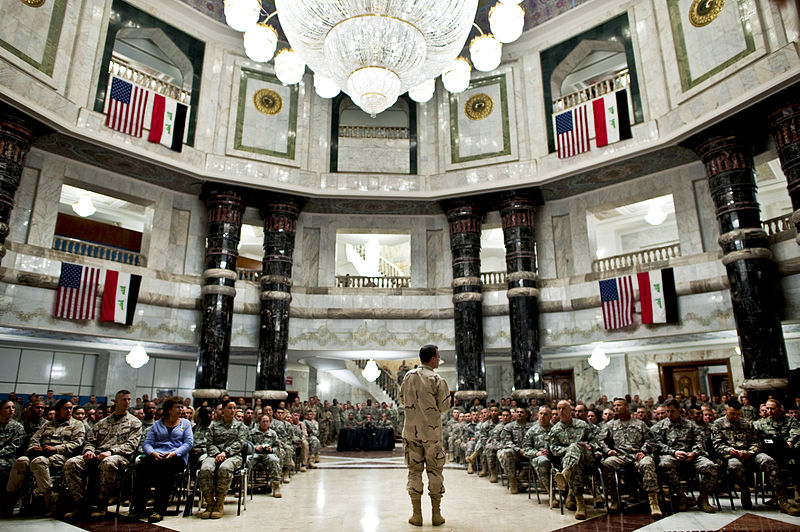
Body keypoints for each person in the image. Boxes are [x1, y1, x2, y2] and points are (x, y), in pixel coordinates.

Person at [63, 390, 142, 518]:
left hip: (120, 457)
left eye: (129, 399)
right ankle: (79, 505)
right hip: (97, 455)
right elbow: (91, 441)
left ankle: (101, 506)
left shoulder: (134, 422)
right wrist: (88, 450)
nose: (127, 402)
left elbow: (131, 445)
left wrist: (111, 452)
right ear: (116, 402)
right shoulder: (103, 422)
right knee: (72, 463)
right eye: (124, 399)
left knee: (108, 463)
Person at [712, 398, 798, 515]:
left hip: (750, 453)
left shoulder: (747, 424)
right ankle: (744, 489)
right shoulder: (718, 424)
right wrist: (732, 450)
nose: (736, 417)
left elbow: (756, 442)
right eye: (732, 414)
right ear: (726, 411)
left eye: (738, 414)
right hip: (732, 454)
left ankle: (782, 501)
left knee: (768, 461)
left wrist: (751, 452)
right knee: (734, 466)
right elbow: (717, 444)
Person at [6, 399, 85, 516]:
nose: (69, 411)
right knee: (21, 461)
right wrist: (34, 447)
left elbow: (76, 443)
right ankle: (9, 504)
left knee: (39, 462)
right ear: (58, 411)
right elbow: (35, 438)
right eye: (65, 408)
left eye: (70, 408)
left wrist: (56, 448)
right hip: (42, 452)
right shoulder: (48, 424)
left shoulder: (77, 425)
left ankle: (50, 503)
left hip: (61, 455)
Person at [399, 344, 450, 527]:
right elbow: (444, 407)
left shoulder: (408, 376)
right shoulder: (437, 379)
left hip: (411, 433)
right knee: (435, 471)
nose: (439, 358)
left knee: (414, 471)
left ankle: (416, 515)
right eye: (438, 356)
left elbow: (402, 399)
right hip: (432, 433)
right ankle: (436, 515)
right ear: (433, 358)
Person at [131, 397, 193, 523]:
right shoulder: (157, 424)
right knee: (141, 468)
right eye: (178, 407)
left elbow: (188, 443)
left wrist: (175, 453)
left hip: (176, 457)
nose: (181, 409)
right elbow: (147, 443)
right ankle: (139, 507)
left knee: (165, 472)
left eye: (182, 407)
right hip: (157, 455)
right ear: (169, 409)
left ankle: (158, 510)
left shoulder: (185, 424)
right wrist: (153, 453)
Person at [599, 399, 663, 517]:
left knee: (647, 463)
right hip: (620, 455)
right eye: (615, 406)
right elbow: (600, 440)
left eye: (619, 405)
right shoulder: (611, 425)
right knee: (606, 464)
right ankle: (615, 498)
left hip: (637, 454)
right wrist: (608, 451)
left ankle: (654, 502)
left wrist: (643, 451)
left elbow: (651, 441)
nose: (616, 408)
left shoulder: (640, 424)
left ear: (627, 407)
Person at [197, 400, 247, 519]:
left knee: (225, 468)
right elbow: (209, 443)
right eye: (230, 408)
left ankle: (219, 503)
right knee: (205, 469)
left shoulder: (240, 426)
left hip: (233, 456)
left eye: (234, 408)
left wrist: (225, 452)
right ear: (223, 410)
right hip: (214, 455)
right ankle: (209, 503)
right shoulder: (214, 426)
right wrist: (218, 453)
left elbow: (240, 443)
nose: (233, 410)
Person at [549, 399, 597, 520]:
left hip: (587, 458)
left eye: (564, 408)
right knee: (575, 465)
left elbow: (594, 441)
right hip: (570, 462)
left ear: (570, 410)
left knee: (575, 447)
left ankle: (565, 474)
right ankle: (580, 503)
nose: (561, 411)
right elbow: (553, 449)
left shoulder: (582, 425)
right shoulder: (555, 429)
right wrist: (570, 451)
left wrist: (589, 446)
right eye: (559, 409)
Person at [522, 405, 556, 507]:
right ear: (537, 415)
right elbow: (525, 450)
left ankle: (569, 495)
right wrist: (537, 453)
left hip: (555, 456)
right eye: (541, 414)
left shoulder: (555, 429)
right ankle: (551, 494)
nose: (543, 416)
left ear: (550, 416)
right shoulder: (532, 431)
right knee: (543, 461)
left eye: (545, 414)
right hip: (538, 457)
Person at [497, 407, 532, 494]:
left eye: (522, 412)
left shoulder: (532, 427)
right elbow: (507, 441)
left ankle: (521, 478)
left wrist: (528, 451)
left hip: (530, 452)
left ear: (526, 415)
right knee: (507, 452)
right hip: (516, 453)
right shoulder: (509, 427)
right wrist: (518, 450)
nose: (519, 414)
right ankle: (512, 480)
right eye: (518, 412)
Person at [0, 400, 26, 517]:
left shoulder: (17, 427)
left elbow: (14, 446)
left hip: (8, 457)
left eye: (13, 407)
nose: (11, 410)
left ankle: (5, 506)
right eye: (7, 408)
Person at [248, 414, 282, 498]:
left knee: (274, 460)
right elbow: (248, 444)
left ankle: (276, 486)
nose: (265, 423)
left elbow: (277, 446)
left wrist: (272, 450)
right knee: (246, 460)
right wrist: (256, 447)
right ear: (259, 422)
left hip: (268, 454)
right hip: (255, 453)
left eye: (267, 421)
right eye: (263, 421)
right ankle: (243, 487)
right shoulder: (253, 432)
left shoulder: (273, 433)